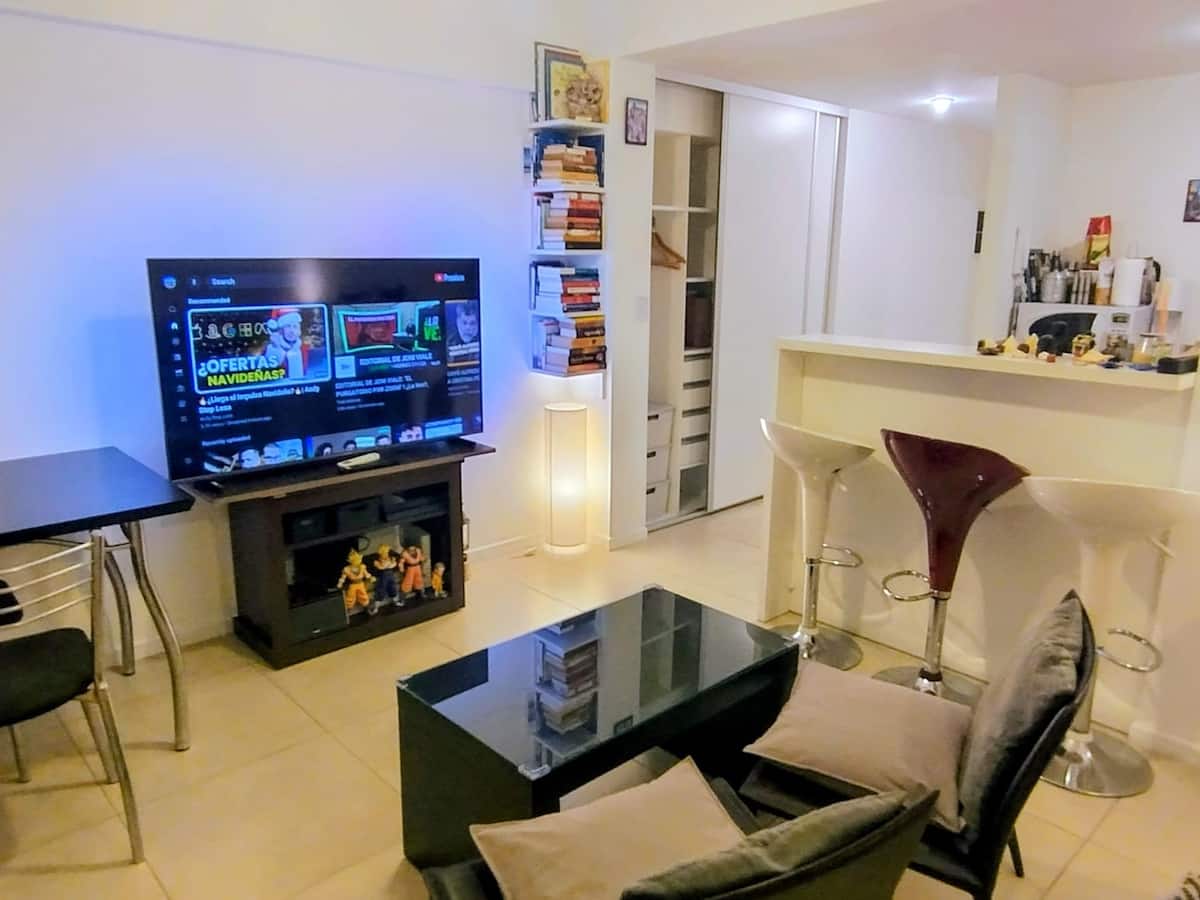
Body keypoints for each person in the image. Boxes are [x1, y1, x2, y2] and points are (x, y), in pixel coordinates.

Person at [262, 308, 308, 379]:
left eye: (295, 327)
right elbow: (266, 374)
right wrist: (277, 348)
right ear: (281, 330)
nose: (292, 331)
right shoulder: (271, 348)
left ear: (299, 331)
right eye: (288, 326)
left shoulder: (304, 349)